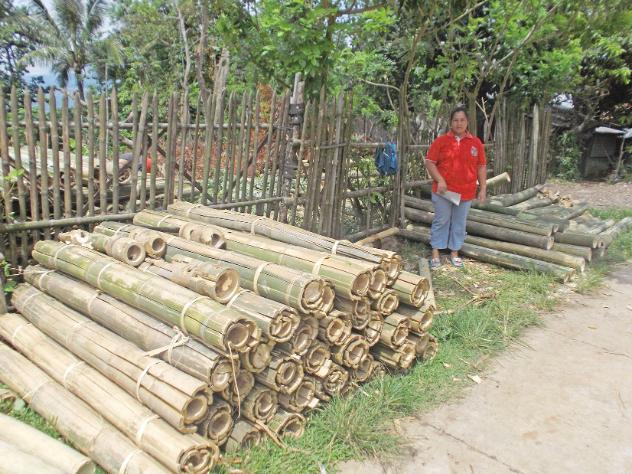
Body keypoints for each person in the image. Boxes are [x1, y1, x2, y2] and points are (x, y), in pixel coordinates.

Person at [424, 106, 486, 269]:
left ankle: (454, 252)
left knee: (459, 223)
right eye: (455, 120)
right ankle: (435, 253)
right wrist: (440, 180)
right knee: (441, 220)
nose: (459, 123)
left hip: (466, 191)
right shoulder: (441, 141)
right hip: (444, 191)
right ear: (450, 122)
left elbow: (481, 166)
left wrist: (483, 188)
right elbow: (430, 163)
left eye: (462, 120)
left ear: (467, 122)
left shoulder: (476, 143)